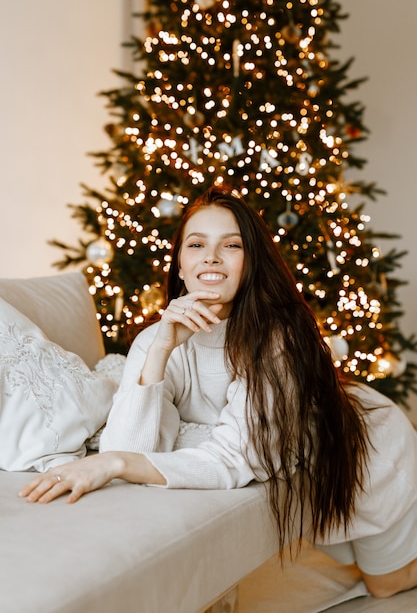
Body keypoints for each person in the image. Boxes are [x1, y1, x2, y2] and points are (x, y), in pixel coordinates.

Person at [19, 185, 417, 598]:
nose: (211, 256)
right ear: (180, 263)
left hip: (365, 444)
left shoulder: (276, 339)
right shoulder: (159, 339)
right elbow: (131, 445)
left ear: (251, 262)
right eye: (196, 244)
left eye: (231, 245)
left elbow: (234, 459)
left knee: (386, 584)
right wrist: (159, 350)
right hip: (310, 458)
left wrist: (117, 462)